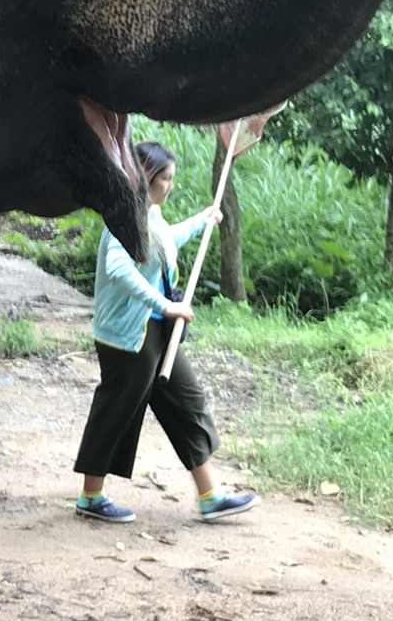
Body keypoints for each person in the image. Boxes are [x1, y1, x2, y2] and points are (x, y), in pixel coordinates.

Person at [72, 141, 259, 526]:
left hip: (158, 334)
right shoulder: (122, 218)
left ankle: (210, 496)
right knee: (117, 413)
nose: (170, 185)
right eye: (166, 178)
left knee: (187, 402)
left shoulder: (151, 215)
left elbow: (162, 245)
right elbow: (120, 270)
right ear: (146, 178)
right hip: (126, 339)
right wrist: (165, 304)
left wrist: (200, 220)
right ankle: (91, 496)